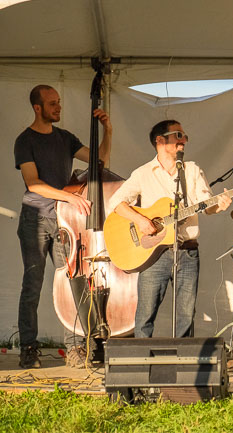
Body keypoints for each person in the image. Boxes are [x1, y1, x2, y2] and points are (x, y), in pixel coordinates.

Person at [14, 84, 112, 369]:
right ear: (37, 108)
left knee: (73, 282)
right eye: (52, 103)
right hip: (35, 218)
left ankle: (75, 347)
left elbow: (99, 161)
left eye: (58, 102)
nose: (58, 107)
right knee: (32, 284)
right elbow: (33, 183)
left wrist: (108, 130)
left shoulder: (65, 138)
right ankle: (28, 348)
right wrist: (69, 196)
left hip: (63, 220)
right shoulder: (25, 140)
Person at [108, 120, 231, 338]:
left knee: (186, 315)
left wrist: (218, 205)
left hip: (187, 251)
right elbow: (115, 203)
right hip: (154, 253)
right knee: (145, 313)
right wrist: (141, 220)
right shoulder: (143, 173)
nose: (184, 140)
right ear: (160, 140)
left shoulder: (192, 170)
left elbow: (206, 205)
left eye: (185, 136)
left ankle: (183, 357)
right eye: (178, 135)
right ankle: (141, 356)